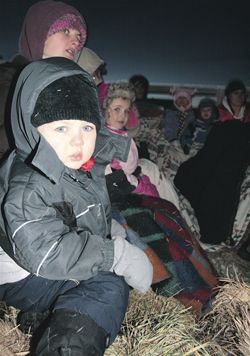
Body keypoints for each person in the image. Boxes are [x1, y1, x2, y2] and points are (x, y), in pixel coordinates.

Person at [0, 57, 153, 355]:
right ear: (32, 127)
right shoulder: (29, 183)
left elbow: (78, 213)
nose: (77, 142)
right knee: (107, 287)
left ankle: (48, 314)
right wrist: (115, 254)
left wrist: (107, 230)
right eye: (61, 129)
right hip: (20, 272)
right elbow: (46, 252)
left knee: (98, 269)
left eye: (86, 128)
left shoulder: (74, 166)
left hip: (36, 267)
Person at [0, 0, 87, 161]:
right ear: (39, 34)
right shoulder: (8, 81)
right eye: (66, 31)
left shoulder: (69, 88)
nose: (75, 42)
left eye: (78, 36)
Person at [103, 82, 159, 198]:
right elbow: (116, 175)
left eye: (126, 111)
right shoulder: (103, 138)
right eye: (117, 109)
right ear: (107, 110)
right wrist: (140, 185)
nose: (122, 116)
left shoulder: (123, 136)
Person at [164, 88, 197, 154]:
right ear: (175, 101)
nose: (181, 100)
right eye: (179, 98)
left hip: (187, 147)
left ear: (189, 101)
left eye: (184, 98)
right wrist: (173, 140)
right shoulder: (169, 114)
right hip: (170, 144)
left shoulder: (194, 117)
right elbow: (168, 129)